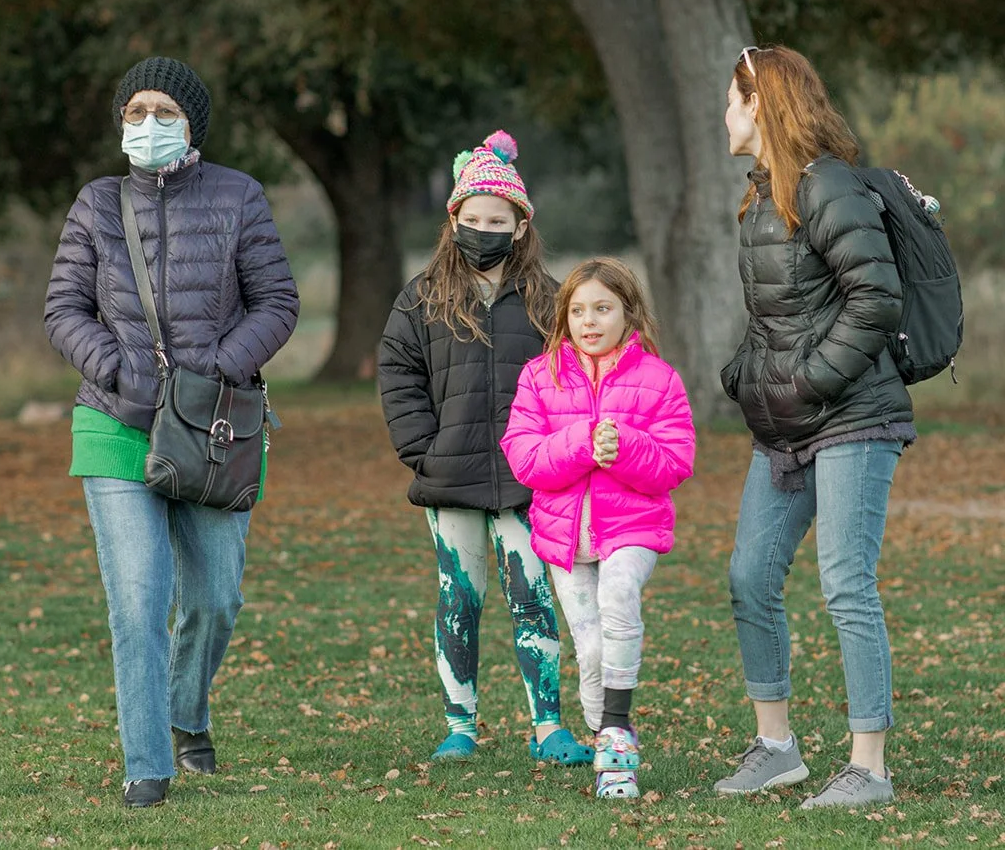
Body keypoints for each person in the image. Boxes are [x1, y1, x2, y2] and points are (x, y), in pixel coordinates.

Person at [43, 57, 300, 808]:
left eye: (163, 111)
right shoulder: (95, 204)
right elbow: (63, 308)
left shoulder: (238, 196)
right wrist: (117, 369)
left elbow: (277, 301)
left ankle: (187, 713)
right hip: (114, 421)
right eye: (134, 111)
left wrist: (217, 369)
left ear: (191, 124)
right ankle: (147, 762)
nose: (146, 124)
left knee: (216, 596)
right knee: (137, 595)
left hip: (211, 425)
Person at [714, 45, 915, 809]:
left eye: (732, 101)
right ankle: (777, 748)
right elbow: (780, 312)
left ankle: (870, 765)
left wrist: (807, 380)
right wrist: (748, 375)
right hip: (787, 423)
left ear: (759, 104)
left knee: (845, 583)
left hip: (854, 416)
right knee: (749, 574)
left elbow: (876, 297)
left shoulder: (828, 185)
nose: (725, 116)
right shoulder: (765, 193)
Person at [377, 132, 594, 768]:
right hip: (450, 476)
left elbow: (578, 377)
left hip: (531, 481)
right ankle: (460, 722)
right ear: (453, 223)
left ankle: (549, 724)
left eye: (496, 221)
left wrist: (560, 450)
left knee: (533, 597)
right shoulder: (421, 297)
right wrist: (422, 448)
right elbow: (398, 373)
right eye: (471, 220)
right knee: (458, 597)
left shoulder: (551, 301)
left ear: (520, 226)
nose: (483, 230)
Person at [501, 257, 696, 799]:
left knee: (618, 594)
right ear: (564, 318)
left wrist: (623, 447)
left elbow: (675, 463)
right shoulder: (539, 377)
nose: (590, 321)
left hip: (632, 528)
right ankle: (603, 736)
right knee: (588, 650)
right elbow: (524, 457)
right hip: (565, 541)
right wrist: (585, 443)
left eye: (603, 308)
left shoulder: (658, 379)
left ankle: (619, 733)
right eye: (579, 310)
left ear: (627, 312)